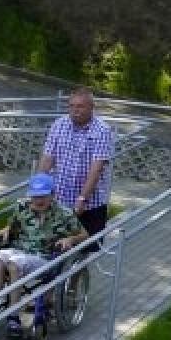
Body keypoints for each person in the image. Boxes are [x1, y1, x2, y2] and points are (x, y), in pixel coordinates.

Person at [0, 172, 88, 339]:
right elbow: (12, 226)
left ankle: (13, 317)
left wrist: (70, 239)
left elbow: (85, 235)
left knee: (14, 263)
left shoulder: (64, 214)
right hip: (20, 251)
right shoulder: (22, 207)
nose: (38, 201)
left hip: (44, 258)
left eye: (43, 196)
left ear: (52, 195)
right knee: (0, 257)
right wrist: (6, 231)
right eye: (35, 196)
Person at [37, 87, 114, 237]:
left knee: (89, 246)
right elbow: (47, 159)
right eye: (71, 106)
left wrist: (82, 199)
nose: (75, 110)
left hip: (90, 204)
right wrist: (39, 189)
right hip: (59, 200)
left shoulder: (102, 130)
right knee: (58, 244)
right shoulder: (59, 125)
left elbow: (96, 169)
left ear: (91, 107)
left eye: (80, 106)